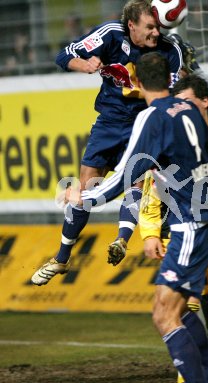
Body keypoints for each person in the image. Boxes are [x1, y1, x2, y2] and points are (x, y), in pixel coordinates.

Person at [81, 51, 208, 383]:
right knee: (175, 308)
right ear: (170, 78)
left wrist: (84, 197)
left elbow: (125, 173)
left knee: (163, 316)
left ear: (135, 81)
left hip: (190, 225)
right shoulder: (190, 111)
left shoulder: (150, 117)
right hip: (203, 220)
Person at [30, 0, 185, 285]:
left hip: (143, 123)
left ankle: (121, 240)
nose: (155, 34)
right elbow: (65, 55)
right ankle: (62, 259)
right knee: (86, 186)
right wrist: (85, 64)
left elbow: (175, 90)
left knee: (135, 181)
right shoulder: (112, 34)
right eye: (150, 28)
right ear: (132, 26)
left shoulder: (170, 50)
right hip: (109, 123)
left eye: (159, 27)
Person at [140, 74, 208, 383]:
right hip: (186, 233)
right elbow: (152, 189)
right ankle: (193, 376)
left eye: (187, 102)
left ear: (204, 102)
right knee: (182, 307)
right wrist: (149, 233)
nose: (181, 108)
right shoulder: (173, 138)